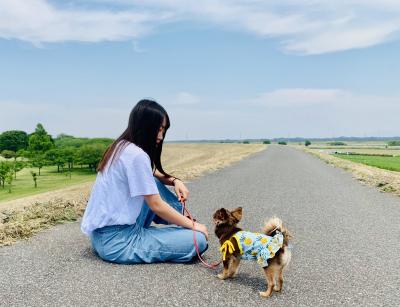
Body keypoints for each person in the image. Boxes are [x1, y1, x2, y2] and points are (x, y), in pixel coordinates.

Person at [81, 99, 208, 264]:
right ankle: (184, 223)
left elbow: (150, 174)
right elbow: (156, 205)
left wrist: (175, 180)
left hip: (100, 236)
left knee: (152, 183)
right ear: (145, 126)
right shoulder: (137, 155)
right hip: (119, 242)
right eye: (158, 129)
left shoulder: (120, 146)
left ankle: (180, 221)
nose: (161, 136)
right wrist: (193, 225)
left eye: (164, 130)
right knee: (198, 240)